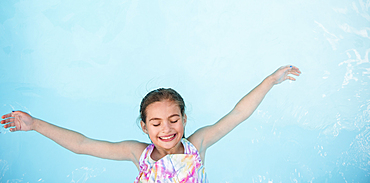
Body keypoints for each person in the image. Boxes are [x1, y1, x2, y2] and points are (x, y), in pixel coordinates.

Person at [1, 65, 300, 182]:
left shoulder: (197, 144)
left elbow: (237, 114)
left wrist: (271, 81)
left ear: (184, 120)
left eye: (173, 120)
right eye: (156, 123)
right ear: (144, 127)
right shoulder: (137, 153)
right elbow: (82, 145)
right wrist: (35, 124)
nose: (166, 129)